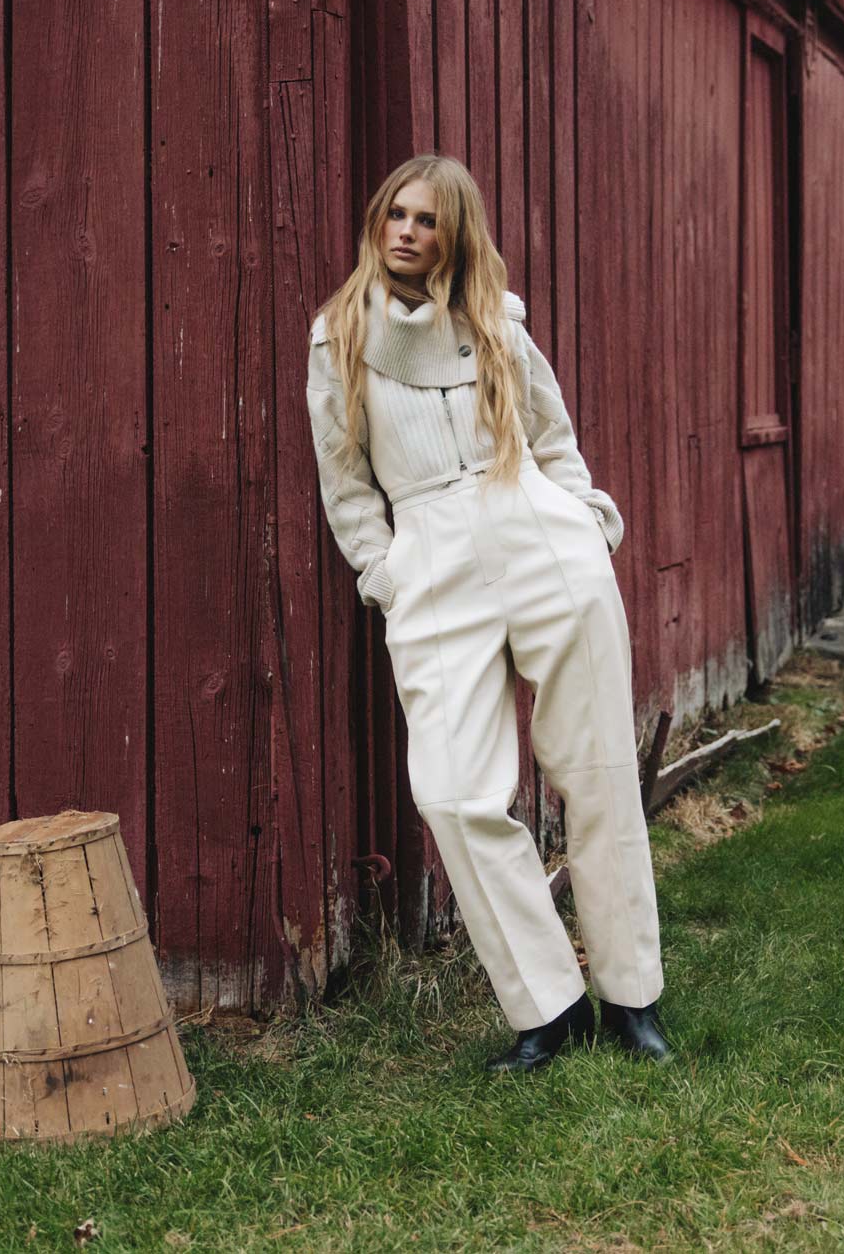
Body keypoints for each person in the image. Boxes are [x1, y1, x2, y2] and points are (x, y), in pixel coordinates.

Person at [305, 153, 671, 1071]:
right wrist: (387, 573)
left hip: (537, 532)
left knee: (594, 771)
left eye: (426, 219)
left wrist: (584, 526)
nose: (404, 231)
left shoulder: (498, 326)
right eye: (394, 212)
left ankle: (632, 997)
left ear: (453, 233)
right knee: (457, 793)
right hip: (430, 555)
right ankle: (547, 1004)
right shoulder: (339, 337)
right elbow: (346, 484)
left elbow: (554, 439)